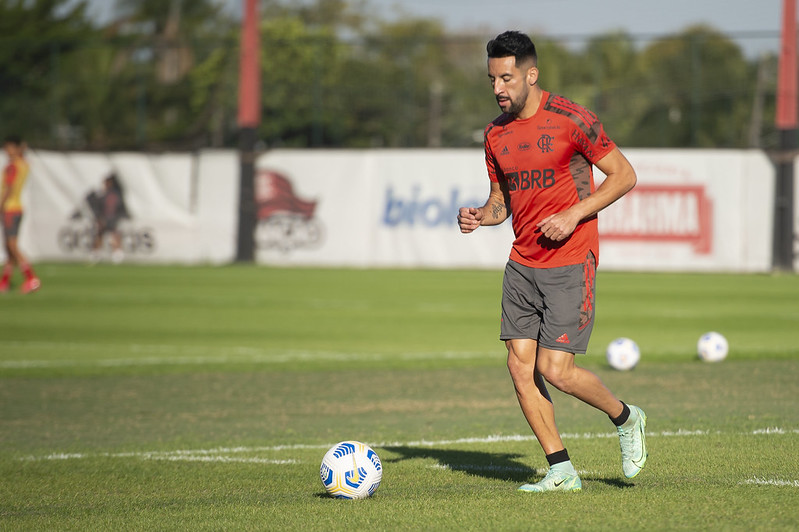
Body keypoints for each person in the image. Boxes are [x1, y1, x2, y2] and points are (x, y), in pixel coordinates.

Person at [458, 31, 646, 492]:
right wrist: (482, 216)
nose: (499, 88)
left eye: (507, 77)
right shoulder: (494, 135)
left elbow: (624, 175)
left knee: (555, 370)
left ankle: (626, 417)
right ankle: (560, 469)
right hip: (522, 262)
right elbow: (501, 203)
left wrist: (574, 213)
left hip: (571, 259)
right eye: (492, 79)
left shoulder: (571, 118)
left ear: (531, 74)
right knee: (520, 367)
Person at [0, 135, 40, 294]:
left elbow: (8, 188)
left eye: (9, 147)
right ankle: (5, 281)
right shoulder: (24, 163)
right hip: (16, 208)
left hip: (10, 208)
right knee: (9, 248)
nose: (6, 150)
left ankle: (31, 278)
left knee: (12, 245)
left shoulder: (12, 166)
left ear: (15, 148)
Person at [91, 173, 128, 264]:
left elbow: (119, 207)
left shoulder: (115, 194)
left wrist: (119, 217)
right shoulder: (103, 194)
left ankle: (117, 253)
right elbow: (99, 207)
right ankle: (97, 253)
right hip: (104, 218)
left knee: (114, 234)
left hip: (112, 218)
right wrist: (99, 217)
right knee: (100, 235)